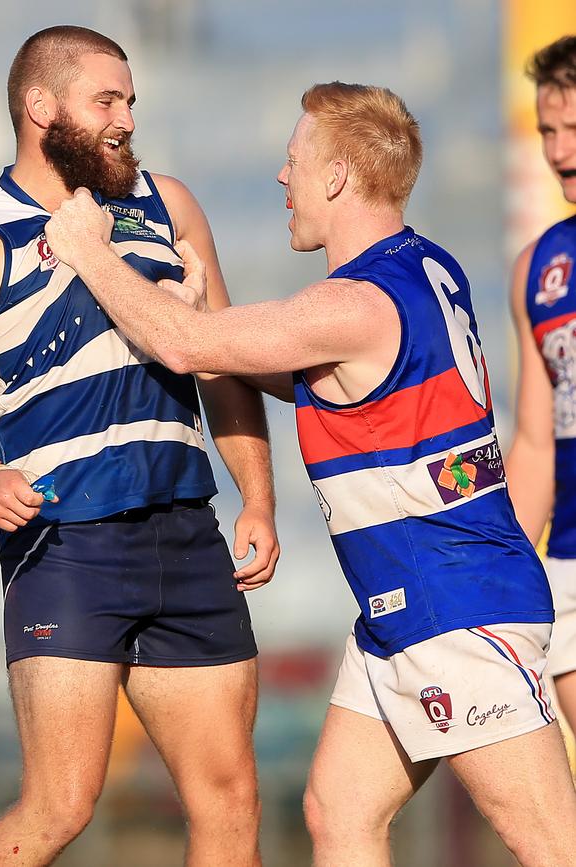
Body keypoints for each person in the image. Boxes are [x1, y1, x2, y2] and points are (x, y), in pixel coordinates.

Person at [45, 81, 576, 866]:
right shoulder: (427, 268)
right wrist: (202, 320)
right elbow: (318, 373)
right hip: (404, 610)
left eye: (294, 163)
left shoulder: (354, 303)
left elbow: (190, 350)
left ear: (335, 178)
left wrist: (90, 249)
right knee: (337, 810)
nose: (282, 179)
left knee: (553, 843)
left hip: (456, 607)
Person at [0, 25, 280, 867]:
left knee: (229, 799)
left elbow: (224, 363)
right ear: (40, 108)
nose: (126, 119)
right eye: (107, 100)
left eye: (131, 102)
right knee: (61, 804)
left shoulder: (171, 203)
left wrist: (258, 497)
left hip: (189, 535)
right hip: (66, 540)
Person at [506, 35, 576, 738]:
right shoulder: (540, 266)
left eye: (574, 130)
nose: (558, 152)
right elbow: (534, 440)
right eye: (548, 131)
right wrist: (511, 580)